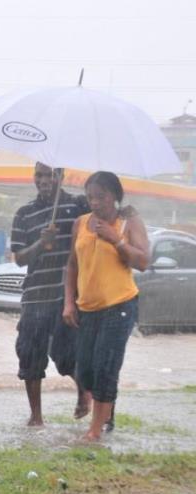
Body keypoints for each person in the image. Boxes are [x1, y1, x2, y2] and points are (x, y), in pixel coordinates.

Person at [63, 171, 150, 442]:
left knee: (106, 367)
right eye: (90, 197)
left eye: (101, 196)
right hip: (88, 308)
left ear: (115, 196)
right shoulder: (80, 223)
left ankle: (95, 430)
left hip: (120, 305)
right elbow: (72, 265)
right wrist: (69, 302)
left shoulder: (129, 222)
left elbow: (143, 261)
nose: (95, 202)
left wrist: (116, 239)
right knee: (86, 370)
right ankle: (104, 409)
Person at [11, 162, 90, 426]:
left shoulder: (78, 207)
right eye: (39, 175)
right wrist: (40, 244)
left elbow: (91, 241)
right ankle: (36, 416)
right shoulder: (24, 214)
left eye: (50, 174)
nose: (43, 180)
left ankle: (84, 392)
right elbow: (19, 258)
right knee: (29, 355)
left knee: (66, 354)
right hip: (34, 296)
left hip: (66, 295)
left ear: (61, 175)